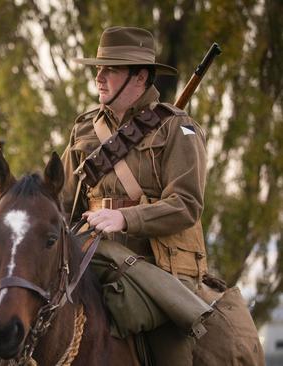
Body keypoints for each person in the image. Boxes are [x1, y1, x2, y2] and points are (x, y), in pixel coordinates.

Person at [61, 26, 263, 365]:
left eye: (111, 68)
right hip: (95, 258)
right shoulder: (84, 130)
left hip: (161, 267)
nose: (99, 76)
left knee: (173, 349)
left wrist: (125, 217)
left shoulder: (178, 128)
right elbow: (65, 203)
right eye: (98, 67)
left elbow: (186, 204)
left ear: (140, 77)